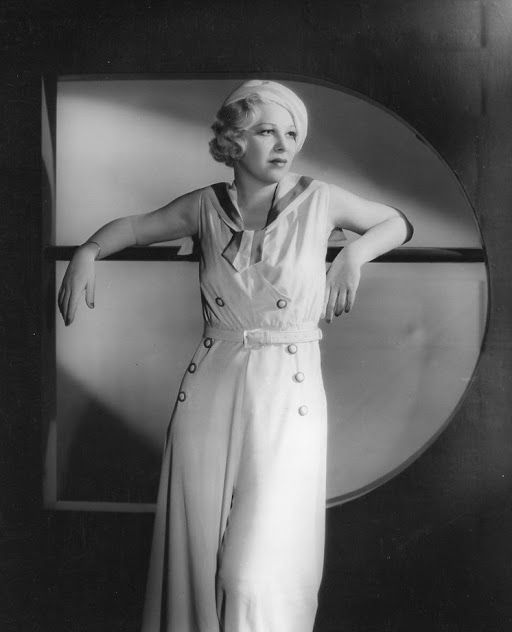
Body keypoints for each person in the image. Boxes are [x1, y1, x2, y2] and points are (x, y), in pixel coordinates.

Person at [58, 79, 413, 632]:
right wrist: (88, 250)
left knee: (256, 571)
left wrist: (353, 255)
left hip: (287, 385)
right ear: (233, 140)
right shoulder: (204, 205)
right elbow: (134, 226)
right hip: (211, 378)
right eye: (266, 131)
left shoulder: (320, 199)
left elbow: (397, 221)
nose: (283, 144)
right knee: (194, 545)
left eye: (292, 133)